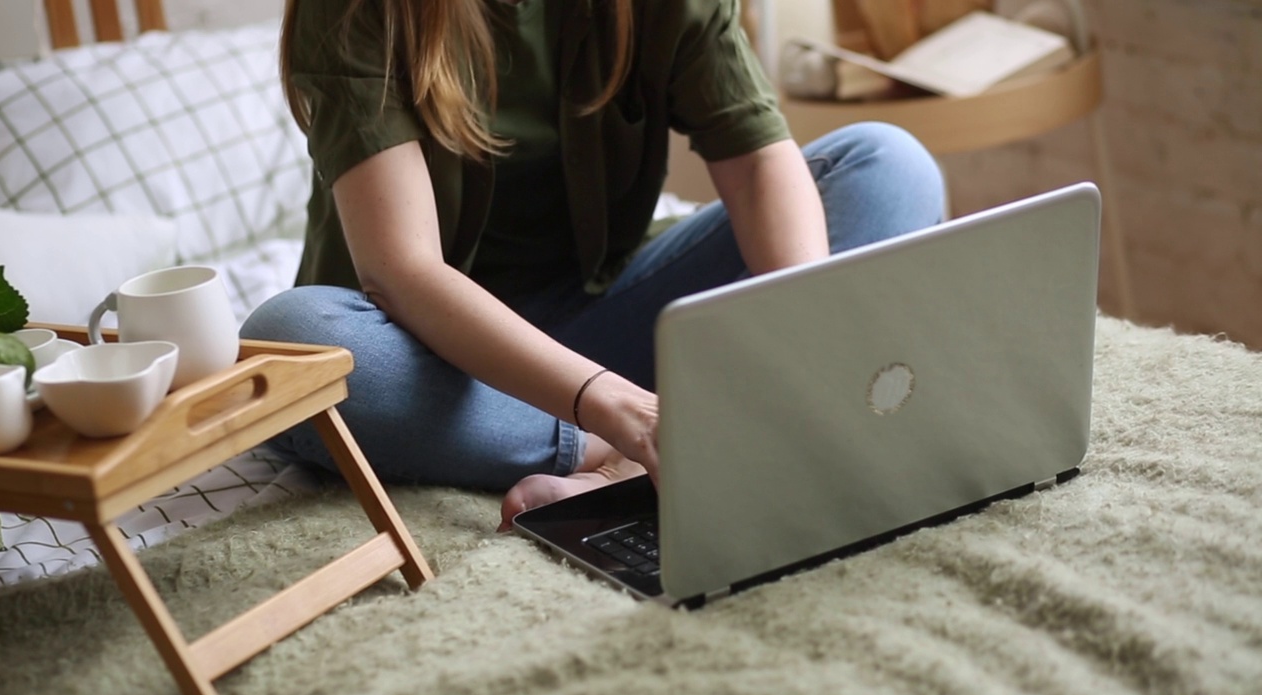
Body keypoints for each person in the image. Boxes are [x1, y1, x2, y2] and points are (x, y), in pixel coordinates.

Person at [241, 0, 946, 531]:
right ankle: (616, 453)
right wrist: (620, 411)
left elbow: (762, 164)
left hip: (602, 313)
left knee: (885, 164)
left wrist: (801, 330)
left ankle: (703, 433)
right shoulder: (361, 12)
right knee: (298, 342)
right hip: (434, 363)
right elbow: (402, 271)